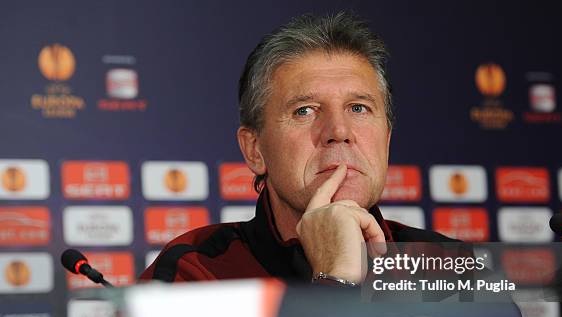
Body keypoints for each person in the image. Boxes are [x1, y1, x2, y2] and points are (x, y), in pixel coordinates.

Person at [139, 12, 457, 285]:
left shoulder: (448, 267)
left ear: (385, 141)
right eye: (304, 110)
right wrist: (336, 279)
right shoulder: (195, 274)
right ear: (255, 150)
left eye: (358, 108)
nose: (339, 131)